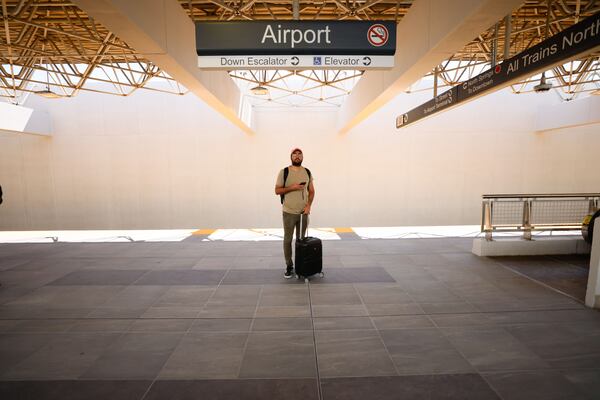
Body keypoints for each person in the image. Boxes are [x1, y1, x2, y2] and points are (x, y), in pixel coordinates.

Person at [275, 148, 315, 278]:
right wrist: (293, 187)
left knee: (301, 240)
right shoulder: (284, 172)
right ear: (291, 157)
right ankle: (289, 265)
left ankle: (301, 265)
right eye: (295, 154)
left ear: (302, 157)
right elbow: (277, 190)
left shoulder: (307, 172)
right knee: (287, 240)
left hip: (303, 212)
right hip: (289, 212)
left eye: (300, 154)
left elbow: (312, 191)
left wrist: (308, 206)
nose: (297, 156)